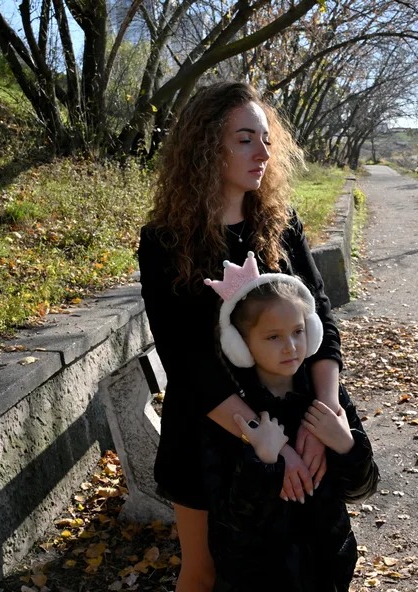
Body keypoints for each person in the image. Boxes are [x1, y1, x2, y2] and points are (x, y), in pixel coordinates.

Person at [136, 81, 343, 591]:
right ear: (208, 146)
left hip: (294, 418)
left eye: (266, 139)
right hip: (208, 430)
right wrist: (265, 440)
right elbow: (186, 361)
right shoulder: (164, 241)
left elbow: (320, 322)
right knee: (205, 571)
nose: (263, 152)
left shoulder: (281, 223)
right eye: (245, 138)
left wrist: (323, 416)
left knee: (304, 563)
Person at [201, 256, 380, 592]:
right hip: (258, 581)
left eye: (298, 332)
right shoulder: (235, 417)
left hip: (330, 571)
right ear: (240, 345)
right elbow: (231, 527)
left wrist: (345, 445)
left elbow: (362, 488)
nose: (291, 347)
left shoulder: (325, 398)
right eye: (273, 337)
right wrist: (263, 462)